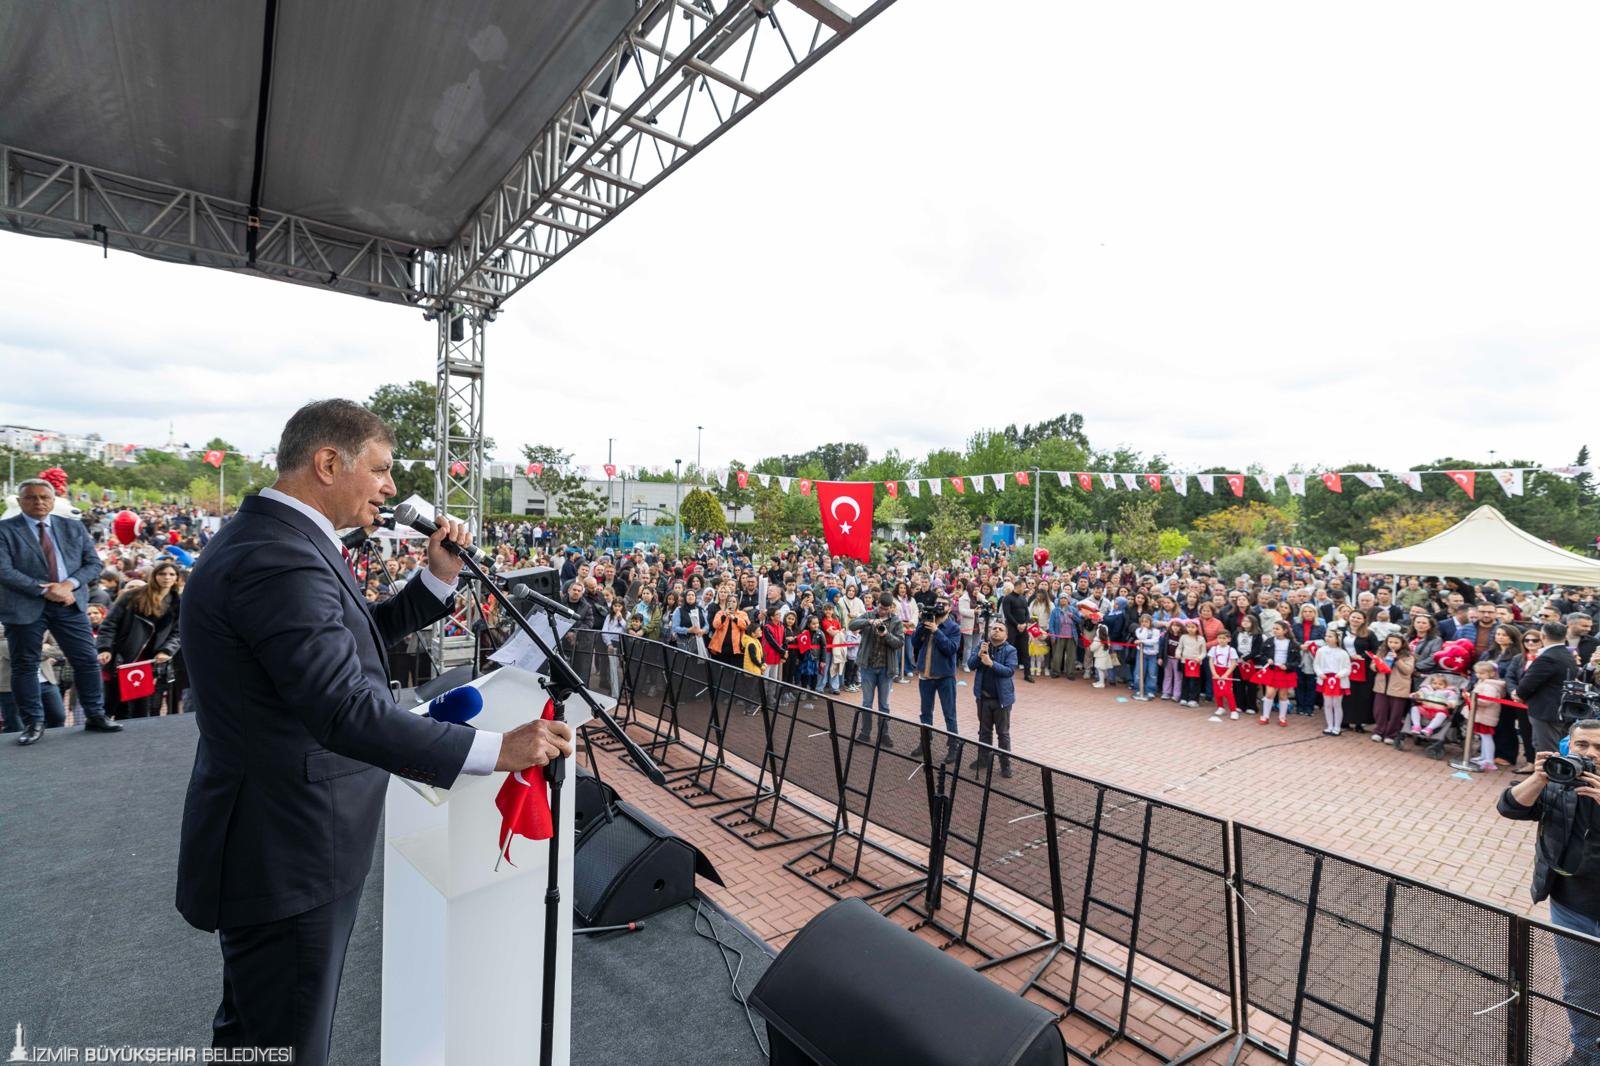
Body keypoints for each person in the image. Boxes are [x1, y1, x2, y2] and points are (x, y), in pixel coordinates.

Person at [175, 399, 572, 1066]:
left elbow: (345, 641)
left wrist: (435, 580)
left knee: (257, 1031)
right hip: (288, 844)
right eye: (382, 470)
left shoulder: (278, 540)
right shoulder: (279, 557)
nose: (391, 488)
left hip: (278, 834)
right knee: (284, 1042)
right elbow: (342, 708)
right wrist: (495, 750)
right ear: (329, 463)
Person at [1497, 719, 1600, 1066]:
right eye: (1582, 745)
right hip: (1572, 907)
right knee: (1581, 988)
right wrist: (1540, 777)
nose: (1590, 754)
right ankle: (1585, 1055)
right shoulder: (1558, 780)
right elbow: (1509, 806)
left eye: (1599, 748)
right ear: (1569, 745)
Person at [0, 477, 120, 744]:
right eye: (31, 497)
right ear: (20, 501)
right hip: (25, 606)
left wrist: (68, 585)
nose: (38, 502)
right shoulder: (4, 529)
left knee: (86, 660)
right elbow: (4, 570)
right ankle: (33, 723)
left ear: (53, 501)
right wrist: (44, 590)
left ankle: (95, 715)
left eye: (44, 497)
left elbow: (93, 564)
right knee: (25, 665)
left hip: (69, 603)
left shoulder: (73, 527)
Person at [97, 558, 182, 719]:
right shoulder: (132, 596)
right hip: (121, 657)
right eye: (162, 573)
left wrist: (167, 650)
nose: (167, 577)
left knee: (141, 710)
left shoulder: (178, 602)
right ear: (154, 576)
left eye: (172, 574)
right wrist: (104, 648)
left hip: (150, 662)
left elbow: (178, 632)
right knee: (112, 706)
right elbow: (110, 624)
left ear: (177, 578)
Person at [1518, 621, 1583, 756]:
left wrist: (1519, 694)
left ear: (1543, 636)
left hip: (1547, 711)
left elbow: (1527, 685)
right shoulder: (1566, 653)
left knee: (1547, 752)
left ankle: (1549, 771)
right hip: (1560, 709)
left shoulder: (1548, 657)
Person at [910, 596, 962, 761]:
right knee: (925, 713)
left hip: (945, 676)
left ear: (950, 607)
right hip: (925, 676)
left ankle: (953, 747)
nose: (939, 606)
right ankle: (925, 743)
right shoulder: (927, 621)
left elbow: (951, 648)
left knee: (949, 713)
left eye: (943, 604)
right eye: (937, 603)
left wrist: (936, 631)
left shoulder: (953, 627)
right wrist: (922, 625)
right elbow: (915, 643)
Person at [848, 592, 904, 744]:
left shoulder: (896, 621)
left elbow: (899, 643)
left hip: (886, 669)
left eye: (886, 609)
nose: (882, 611)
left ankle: (883, 734)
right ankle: (865, 733)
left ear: (891, 607)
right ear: (877, 604)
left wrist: (886, 634)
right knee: (867, 702)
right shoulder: (869, 615)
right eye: (880, 607)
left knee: (884, 705)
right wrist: (869, 622)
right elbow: (851, 625)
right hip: (868, 667)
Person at [967, 620, 1017, 777]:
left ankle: (1005, 765)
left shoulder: (1010, 650)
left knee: (1003, 734)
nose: (996, 631)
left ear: (1006, 635)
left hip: (1002, 699)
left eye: (1000, 629)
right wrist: (979, 655)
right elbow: (971, 665)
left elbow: (1009, 671)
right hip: (983, 698)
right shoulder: (982, 646)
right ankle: (983, 760)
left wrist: (991, 663)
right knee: (984, 731)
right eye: (994, 628)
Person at [1370, 633, 1415, 744]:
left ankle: (1391, 734)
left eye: (1396, 642)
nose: (1392, 644)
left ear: (1402, 644)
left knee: (1396, 713)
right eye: (1390, 642)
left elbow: (1408, 670)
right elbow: (1373, 665)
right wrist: (1378, 665)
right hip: (1382, 686)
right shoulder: (1382, 652)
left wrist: (1397, 660)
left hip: (1399, 688)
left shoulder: (1408, 656)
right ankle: (1379, 731)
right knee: (1379, 710)